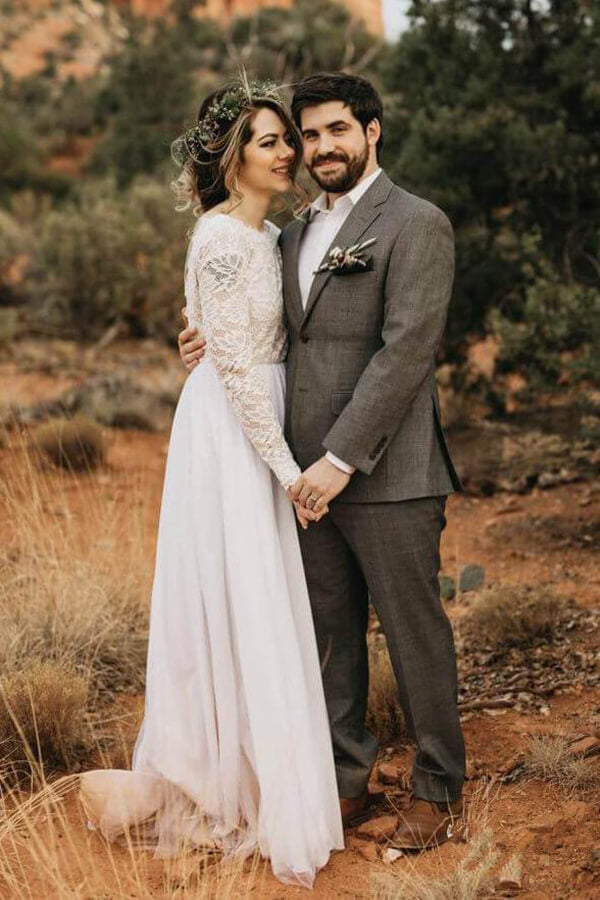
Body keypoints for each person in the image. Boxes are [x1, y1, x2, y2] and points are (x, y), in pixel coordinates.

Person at [179, 72, 467, 850]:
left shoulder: (416, 223)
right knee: (328, 635)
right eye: (307, 136)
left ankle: (439, 791)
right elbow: (255, 325)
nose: (320, 147)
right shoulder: (294, 231)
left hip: (386, 470)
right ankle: (346, 784)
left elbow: (406, 352)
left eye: (337, 129)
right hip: (302, 478)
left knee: (413, 632)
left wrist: (341, 458)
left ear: (371, 131)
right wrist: (200, 341)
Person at [79, 75, 344, 889]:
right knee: (240, 592)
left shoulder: (270, 236)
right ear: (235, 159)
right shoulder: (223, 238)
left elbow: (220, 333)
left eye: (286, 140)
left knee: (255, 593)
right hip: (234, 431)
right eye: (270, 141)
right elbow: (230, 364)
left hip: (257, 411)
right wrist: (290, 472)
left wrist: (191, 336)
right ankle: (228, 779)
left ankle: (254, 767)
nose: (289, 153)